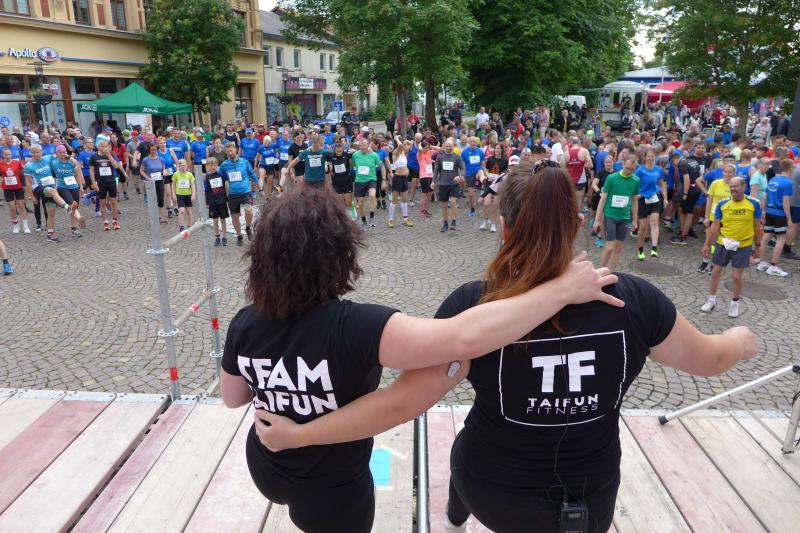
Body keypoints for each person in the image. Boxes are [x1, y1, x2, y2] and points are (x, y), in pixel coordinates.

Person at [252, 161, 757, 533]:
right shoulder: (635, 299)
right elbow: (712, 359)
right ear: (578, 223)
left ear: (505, 226)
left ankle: (454, 516)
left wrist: (302, 435)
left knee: (463, 463)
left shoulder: (474, 305)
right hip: (593, 493)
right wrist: (739, 340)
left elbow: (404, 402)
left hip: (489, 487)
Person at [220, 186, 626, 533]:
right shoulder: (357, 326)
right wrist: (561, 290)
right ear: (340, 254)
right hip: (333, 483)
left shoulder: (244, 323)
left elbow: (233, 397)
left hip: (267, 463)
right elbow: (461, 338)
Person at [701, 177, 760, 317]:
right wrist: (707, 244)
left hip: (743, 245)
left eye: (736, 186)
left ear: (744, 187)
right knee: (716, 272)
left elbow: (757, 226)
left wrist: (758, 245)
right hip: (723, 243)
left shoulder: (754, 204)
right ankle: (711, 300)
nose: (733, 189)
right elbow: (715, 226)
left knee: (736, 277)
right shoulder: (722, 204)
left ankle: (734, 303)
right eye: (731, 186)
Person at [593, 154, 640, 270]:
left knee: (618, 247)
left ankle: (612, 272)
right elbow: (603, 199)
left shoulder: (636, 180)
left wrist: (635, 220)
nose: (629, 171)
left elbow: (634, 200)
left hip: (624, 217)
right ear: (623, 164)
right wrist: (597, 220)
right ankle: (601, 271)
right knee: (609, 247)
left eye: (632, 169)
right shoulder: (612, 178)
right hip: (610, 215)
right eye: (627, 168)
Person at [23, 145, 78, 242]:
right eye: (33, 152)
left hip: (51, 188)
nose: (35, 154)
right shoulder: (28, 165)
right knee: (52, 191)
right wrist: (32, 196)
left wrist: (70, 158)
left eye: (37, 152)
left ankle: (50, 234)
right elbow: (27, 182)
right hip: (38, 188)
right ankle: (67, 207)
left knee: (51, 211)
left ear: (41, 152)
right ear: (30, 153)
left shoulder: (48, 157)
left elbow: (61, 153)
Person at [755, 159, 794, 277]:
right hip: (780, 213)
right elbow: (786, 202)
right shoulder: (788, 183)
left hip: (769, 211)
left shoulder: (772, 179)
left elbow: (765, 197)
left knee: (766, 237)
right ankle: (773, 266)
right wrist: (789, 219)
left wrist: (763, 212)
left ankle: (762, 262)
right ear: (790, 168)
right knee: (781, 239)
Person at [218, 143, 259, 246]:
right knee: (235, 217)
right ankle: (239, 235)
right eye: (227, 152)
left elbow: (252, 174)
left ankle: (248, 228)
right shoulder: (224, 165)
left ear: (235, 150)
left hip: (245, 192)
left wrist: (259, 186)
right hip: (233, 194)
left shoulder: (244, 162)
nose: (229, 153)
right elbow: (218, 175)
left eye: (231, 151)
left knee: (248, 209)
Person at [634, 150, 667, 260]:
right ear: (645, 158)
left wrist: (665, 198)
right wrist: (636, 194)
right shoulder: (640, 170)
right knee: (643, 227)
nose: (651, 158)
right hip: (642, 199)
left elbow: (661, 184)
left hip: (655, 198)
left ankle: (654, 248)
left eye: (653, 156)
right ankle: (640, 249)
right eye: (649, 156)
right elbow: (634, 183)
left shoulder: (659, 169)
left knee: (654, 221)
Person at [90, 140, 127, 231]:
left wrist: (109, 155)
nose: (104, 148)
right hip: (101, 182)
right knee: (103, 203)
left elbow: (116, 166)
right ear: (98, 147)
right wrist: (94, 183)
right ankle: (105, 222)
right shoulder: (94, 157)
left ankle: (115, 221)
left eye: (105, 146)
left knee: (114, 201)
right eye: (102, 146)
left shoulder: (111, 155)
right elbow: (91, 170)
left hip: (111, 181)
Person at [51, 145, 87, 237]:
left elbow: (77, 174)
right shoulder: (54, 162)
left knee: (75, 207)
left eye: (64, 152)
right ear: (57, 153)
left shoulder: (71, 161)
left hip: (74, 186)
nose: (62, 154)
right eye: (60, 152)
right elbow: (52, 174)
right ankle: (79, 218)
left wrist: (80, 186)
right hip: (62, 186)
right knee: (72, 204)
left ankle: (74, 229)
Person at [434, 139, 465, 232]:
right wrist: (433, 181)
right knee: (444, 205)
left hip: (453, 184)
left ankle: (454, 222)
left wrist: (459, 176)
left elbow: (463, 169)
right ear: (444, 147)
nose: (448, 148)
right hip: (443, 183)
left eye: (450, 146)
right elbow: (437, 170)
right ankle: (445, 223)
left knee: (453, 202)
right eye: (447, 146)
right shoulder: (440, 157)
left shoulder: (457, 157)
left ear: (453, 146)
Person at [351, 138, 382, 230]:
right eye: (361, 145)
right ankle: (364, 221)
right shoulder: (355, 154)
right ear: (358, 146)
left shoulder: (374, 155)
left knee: (372, 196)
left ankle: (371, 218)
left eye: (364, 145)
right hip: (359, 181)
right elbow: (353, 164)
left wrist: (384, 179)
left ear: (368, 145)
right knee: (360, 203)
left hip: (371, 179)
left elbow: (382, 166)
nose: (362, 147)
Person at [1, 147, 29, 234]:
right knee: (12, 208)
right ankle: (15, 226)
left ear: (11, 154)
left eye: (9, 154)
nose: (7, 156)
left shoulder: (17, 162)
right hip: (7, 188)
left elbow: (21, 174)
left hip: (18, 187)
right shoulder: (0, 163)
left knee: (21, 206)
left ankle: (25, 226)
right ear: (3, 155)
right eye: (6, 154)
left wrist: (24, 185)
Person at [388, 137, 414, 228]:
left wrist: (407, 141)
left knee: (404, 199)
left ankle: (405, 219)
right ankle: (390, 220)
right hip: (397, 178)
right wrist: (396, 138)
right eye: (403, 144)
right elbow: (400, 146)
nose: (405, 146)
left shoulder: (403, 153)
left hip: (404, 179)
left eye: (405, 145)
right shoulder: (395, 152)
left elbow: (411, 144)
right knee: (394, 200)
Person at [140, 141, 167, 224]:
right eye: (152, 150)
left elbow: (163, 169)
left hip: (160, 181)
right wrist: (148, 178)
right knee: (152, 200)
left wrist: (164, 172)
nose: (153, 151)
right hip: (151, 182)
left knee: (161, 199)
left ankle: (161, 216)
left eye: (155, 150)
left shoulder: (161, 159)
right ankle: (154, 216)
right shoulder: (146, 160)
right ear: (149, 150)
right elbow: (141, 171)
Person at [204, 157, 229, 247]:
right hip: (213, 202)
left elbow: (227, 181)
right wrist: (207, 202)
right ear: (207, 166)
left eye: (214, 165)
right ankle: (217, 237)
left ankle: (224, 237)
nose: (213, 167)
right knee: (215, 220)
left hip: (222, 200)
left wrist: (227, 196)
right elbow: (207, 190)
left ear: (217, 165)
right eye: (211, 165)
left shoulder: (221, 174)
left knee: (223, 220)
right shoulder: (207, 177)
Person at [172, 159, 196, 231]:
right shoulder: (176, 174)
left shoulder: (190, 174)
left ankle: (190, 225)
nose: (183, 167)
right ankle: (181, 226)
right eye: (181, 166)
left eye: (184, 165)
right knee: (181, 211)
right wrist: (173, 195)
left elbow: (193, 185)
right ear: (179, 166)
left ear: (187, 166)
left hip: (188, 194)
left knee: (189, 210)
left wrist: (193, 194)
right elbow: (173, 185)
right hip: (180, 195)